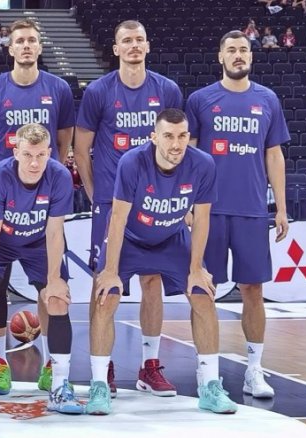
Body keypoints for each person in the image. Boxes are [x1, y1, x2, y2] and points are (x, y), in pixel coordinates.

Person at [87, 108, 237, 415]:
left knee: (203, 295)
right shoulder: (132, 162)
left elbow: (202, 219)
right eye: (168, 136)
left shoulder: (203, 164)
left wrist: (196, 268)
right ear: (154, 137)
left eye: (182, 136)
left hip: (172, 237)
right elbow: (118, 217)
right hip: (130, 238)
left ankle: (210, 385)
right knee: (106, 295)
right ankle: (99, 384)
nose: (176, 144)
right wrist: (111, 271)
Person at [74, 19, 183, 398]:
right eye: (127, 41)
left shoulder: (167, 89)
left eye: (139, 39)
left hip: (154, 202)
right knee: (105, 283)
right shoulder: (98, 92)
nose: (134, 45)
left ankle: (149, 366)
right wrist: (95, 195)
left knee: (152, 281)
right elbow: (81, 148)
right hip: (111, 202)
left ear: (147, 46)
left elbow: (177, 145)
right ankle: (101, 368)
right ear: (116, 49)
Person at [0, 18, 75, 395]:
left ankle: (51, 367)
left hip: (41, 208)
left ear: (39, 46)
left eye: (32, 40)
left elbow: (64, 138)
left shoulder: (59, 88)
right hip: (3, 201)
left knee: (53, 288)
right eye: (20, 41)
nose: (27, 45)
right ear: (10, 47)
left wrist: (46, 170)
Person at [186, 30, 290, 400]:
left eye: (243, 49)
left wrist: (280, 207)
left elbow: (274, 155)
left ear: (251, 56)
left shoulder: (267, 99)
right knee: (203, 290)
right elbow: (189, 155)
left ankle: (254, 369)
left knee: (253, 289)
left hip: (251, 210)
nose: (238, 55)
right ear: (220, 57)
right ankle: (206, 370)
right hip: (209, 211)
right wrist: (187, 203)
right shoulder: (201, 100)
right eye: (231, 50)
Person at [0, 123, 78, 416]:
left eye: (40, 155)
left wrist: (54, 280)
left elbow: (55, 231)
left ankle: (58, 382)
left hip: (38, 240)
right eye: (28, 154)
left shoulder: (60, 177)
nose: (34, 163)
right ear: (16, 152)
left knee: (57, 298)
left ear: (50, 153)